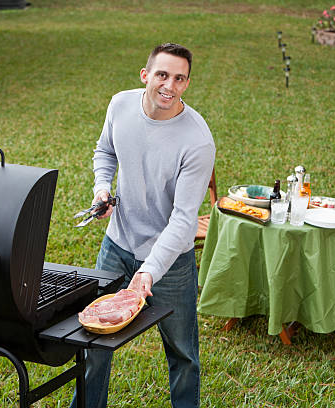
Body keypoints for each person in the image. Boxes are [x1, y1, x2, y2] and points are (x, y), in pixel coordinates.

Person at [70, 43, 215, 408]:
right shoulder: (120, 105)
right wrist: (102, 188)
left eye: (180, 79)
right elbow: (105, 151)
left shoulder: (197, 141)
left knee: (183, 353)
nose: (170, 85)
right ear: (145, 75)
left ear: (186, 84)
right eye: (163, 75)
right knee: (92, 346)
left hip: (170, 262)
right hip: (117, 245)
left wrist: (149, 271)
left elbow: (183, 221)